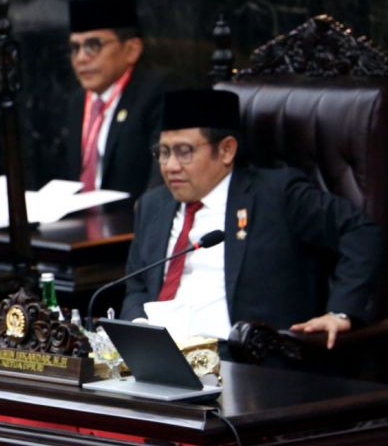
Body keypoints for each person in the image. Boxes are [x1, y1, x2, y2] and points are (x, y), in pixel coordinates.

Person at [121, 89, 383, 348]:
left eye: (184, 152)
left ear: (226, 150)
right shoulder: (152, 205)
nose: (170, 166)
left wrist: (340, 312)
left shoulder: (278, 194)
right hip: (162, 361)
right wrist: (139, 329)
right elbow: (137, 287)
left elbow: (362, 233)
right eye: (163, 152)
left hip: (245, 359)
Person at [56, 0, 166, 201]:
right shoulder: (78, 102)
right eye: (75, 48)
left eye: (93, 45)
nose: (81, 58)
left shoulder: (155, 93)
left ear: (132, 49)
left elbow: (160, 179)